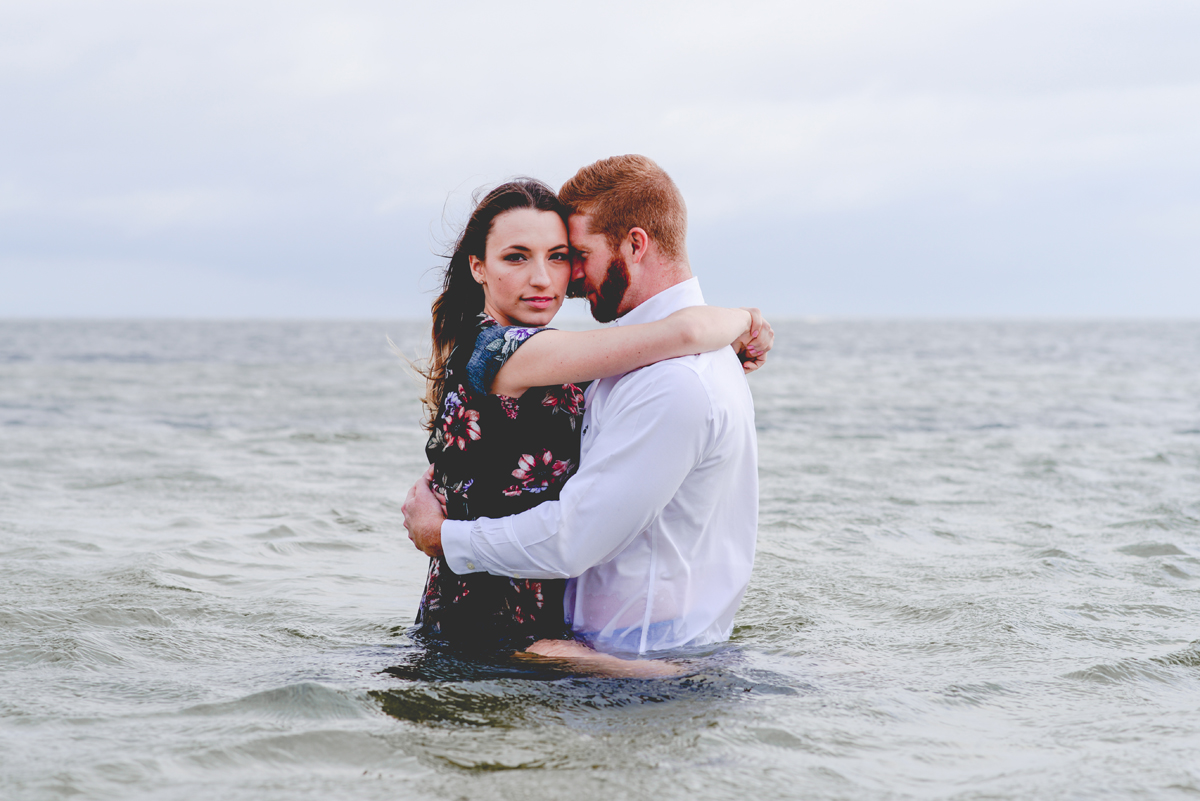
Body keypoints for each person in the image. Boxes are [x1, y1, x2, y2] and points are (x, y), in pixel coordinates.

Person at [405, 156, 767, 658]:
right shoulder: (501, 351)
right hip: (490, 626)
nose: (556, 278)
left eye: (562, 255)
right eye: (516, 257)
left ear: (635, 245)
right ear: (477, 267)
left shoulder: (653, 371)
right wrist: (743, 319)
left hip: (546, 640)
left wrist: (445, 537)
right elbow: (679, 332)